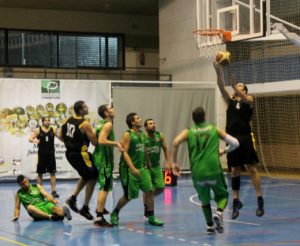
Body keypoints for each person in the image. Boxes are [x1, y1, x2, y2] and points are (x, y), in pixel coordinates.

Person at [172, 106, 239, 234]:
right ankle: (219, 212)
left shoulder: (189, 131)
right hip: (213, 169)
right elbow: (235, 143)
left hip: (198, 172)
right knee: (223, 195)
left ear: (193, 119)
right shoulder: (214, 129)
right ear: (205, 117)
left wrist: (175, 162)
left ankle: (209, 226)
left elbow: (175, 142)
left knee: (204, 200)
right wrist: (223, 151)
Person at [214, 62, 265, 219]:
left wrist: (235, 86)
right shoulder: (230, 101)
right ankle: (236, 201)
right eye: (238, 86)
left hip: (245, 138)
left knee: (252, 169)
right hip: (231, 138)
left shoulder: (249, 99)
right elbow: (222, 87)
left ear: (244, 90)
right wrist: (218, 72)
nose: (238, 87)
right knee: (234, 170)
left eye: (241, 86)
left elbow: (245, 98)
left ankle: (259, 198)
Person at [110, 113, 164, 226]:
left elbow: (143, 147)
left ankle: (151, 217)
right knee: (129, 196)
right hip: (128, 169)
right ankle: (115, 213)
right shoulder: (128, 135)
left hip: (142, 168)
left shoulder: (140, 134)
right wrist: (132, 167)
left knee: (149, 191)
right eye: (138, 118)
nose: (140, 119)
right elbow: (124, 152)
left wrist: (148, 161)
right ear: (132, 122)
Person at [61, 100, 98, 220]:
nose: (88, 108)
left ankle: (72, 199)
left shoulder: (67, 120)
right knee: (93, 177)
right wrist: (98, 133)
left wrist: (71, 142)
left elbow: (61, 136)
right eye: (85, 107)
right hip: (81, 154)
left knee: (86, 175)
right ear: (81, 110)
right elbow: (95, 142)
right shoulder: (84, 123)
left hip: (69, 154)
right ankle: (85, 208)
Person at [93, 104, 123, 227]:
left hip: (100, 158)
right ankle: (99, 218)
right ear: (106, 113)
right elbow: (100, 141)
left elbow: (95, 141)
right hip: (104, 161)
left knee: (104, 187)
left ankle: (99, 210)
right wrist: (116, 143)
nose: (113, 109)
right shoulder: (108, 124)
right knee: (104, 188)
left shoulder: (100, 124)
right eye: (110, 108)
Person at [142, 119, 170, 218]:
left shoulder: (159, 135)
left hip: (156, 166)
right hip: (145, 167)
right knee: (148, 189)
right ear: (145, 127)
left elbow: (165, 148)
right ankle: (148, 210)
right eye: (150, 124)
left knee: (161, 187)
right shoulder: (142, 137)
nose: (153, 125)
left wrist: (167, 162)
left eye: (154, 123)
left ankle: (148, 199)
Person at [29, 116, 60, 198]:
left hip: (51, 155)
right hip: (42, 155)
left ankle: (53, 191)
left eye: (48, 120)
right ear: (42, 122)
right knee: (40, 173)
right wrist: (34, 140)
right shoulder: (38, 130)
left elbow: (60, 137)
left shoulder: (53, 129)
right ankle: (40, 191)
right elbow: (30, 138)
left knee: (52, 173)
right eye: (45, 120)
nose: (47, 122)